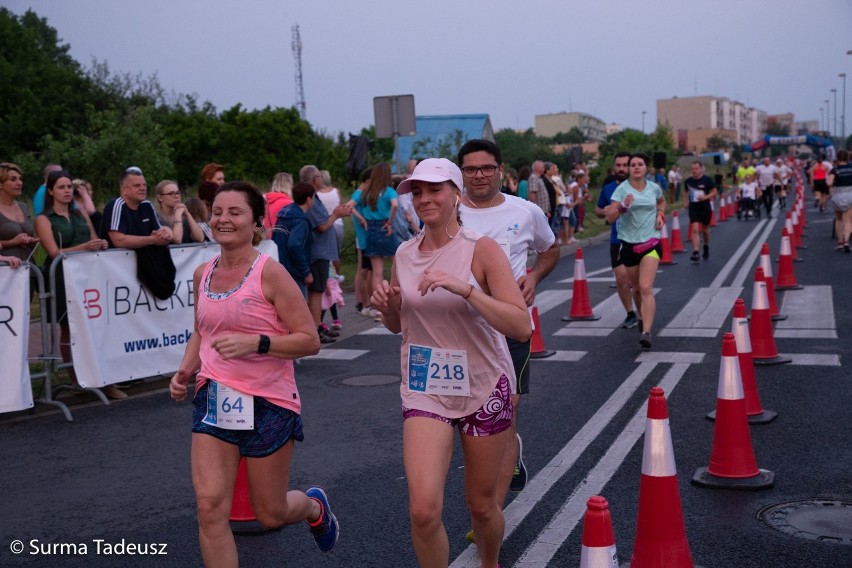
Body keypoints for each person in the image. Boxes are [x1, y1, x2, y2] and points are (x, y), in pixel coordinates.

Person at [371, 158, 531, 568]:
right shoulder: (404, 254)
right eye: (417, 192)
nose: (424, 199)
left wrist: (467, 290)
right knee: (423, 511)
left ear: (456, 194)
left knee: (481, 507)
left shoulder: (482, 249)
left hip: (483, 386)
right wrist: (389, 309)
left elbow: (520, 326)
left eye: (434, 189)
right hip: (425, 386)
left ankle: (490, 562)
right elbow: (399, 326)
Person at [168, 181, 337, 567]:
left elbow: (309, 340)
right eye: (218, 212)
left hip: (269, 403)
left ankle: (313, 507)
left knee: (270, 513)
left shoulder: (271, 274)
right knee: (211, 508)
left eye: (235, 212)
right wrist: (185, 369)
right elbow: (202, 329)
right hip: (215, 399)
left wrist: (257, 343)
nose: (223, 219)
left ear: (256, 222)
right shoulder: (202, 273)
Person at [456, 139, 558, 539]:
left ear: (501, 170)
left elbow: (550, 250)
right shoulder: (450, 212)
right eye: (470, 169)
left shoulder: (525, 211)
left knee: (505, 409)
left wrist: (533, 276)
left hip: (507, 331)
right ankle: (509, 454)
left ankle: (489, 515)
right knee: (468, 422)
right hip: (457, 334)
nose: (479, 175)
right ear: (460, 173)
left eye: (486, 168)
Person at [34, 171, 120, 398]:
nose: (67, 191)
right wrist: (84, 247)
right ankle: (76, 379)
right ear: (51, 191)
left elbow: (92, 237)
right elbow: (53, 252)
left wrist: (99, 244)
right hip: (61, 275)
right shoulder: (44, 218)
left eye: (69, 186)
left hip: (87, 274)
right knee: (69, 328)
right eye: (61, 187)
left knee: (95, 324)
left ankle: (102, 377)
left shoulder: (79, 212)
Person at [606, 152, 666, 349]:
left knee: (646, 286)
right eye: (633, 165)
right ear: (629, 169)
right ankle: (641, 315)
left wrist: (660, 213)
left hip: (651, 242)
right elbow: (610, 217)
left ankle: (647, 332)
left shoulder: (654, 188)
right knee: (637, 289)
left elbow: (662, 201)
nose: (636, 167)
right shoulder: (621, 190)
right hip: (629, 244)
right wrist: (623, 206)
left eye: (640, 164)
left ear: (646, 168)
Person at [300, 165, 351, 341]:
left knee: (318, 291)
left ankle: (317, 328)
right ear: (315, 179)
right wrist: (336, 214)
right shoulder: (311, 200)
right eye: (319, 177)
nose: (322, 180)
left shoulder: (314, 198)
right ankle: (314, 331)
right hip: (317, 253)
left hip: (320, 252)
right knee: (316, 293)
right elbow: (322, 226)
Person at [346, 162, 400, 298]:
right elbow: (395, 205)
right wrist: (389, 221)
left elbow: (348, 206)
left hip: (370, 229)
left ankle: (378, 304)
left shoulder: (366, 192)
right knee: (398, 264)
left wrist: (362, 219)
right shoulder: (389, 191)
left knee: (377, 271)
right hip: (384, 227)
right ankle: (398, 297)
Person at [596, 152, 637, 328]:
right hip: (617, 240)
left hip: (638, 240)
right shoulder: (608, 189)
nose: (621, 168)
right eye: (618, 165)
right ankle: (630, 313)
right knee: (621, 279)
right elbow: (598, 210)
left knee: (635, 282)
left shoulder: (639, 186)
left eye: (624, 165)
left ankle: (643, 312)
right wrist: (605, 210)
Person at [272, 182, 315, 298]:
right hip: (295, 272)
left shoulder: (283, 214)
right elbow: (294, 244)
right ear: (309, 199)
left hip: (280, 268)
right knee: (299, 307)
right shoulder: (301, 220)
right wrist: (306, 271)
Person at [0, 162, 39, 261]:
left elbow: (32, 239)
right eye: (13, 179)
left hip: (29, 268)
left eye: (20, 179)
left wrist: (31, 240)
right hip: (5, 270)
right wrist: (12, 242)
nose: (19, 183)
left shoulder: (24, 207)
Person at [682, 161, 718, 262]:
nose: (694, 171)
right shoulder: (688, 181)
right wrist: (685, 202)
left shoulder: (707, 180)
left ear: (701, 169)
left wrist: (706, 197)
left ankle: (706, 246)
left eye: (696, 169)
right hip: (694, 207)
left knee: (705, 230)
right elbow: (685, 192)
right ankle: (696, 252)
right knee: (695, 230)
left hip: (705, 207)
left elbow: (715, 191)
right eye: (692, 169)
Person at [828, 149, 852, 252]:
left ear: (837, 158)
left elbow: (829, 183)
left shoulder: (834, 170)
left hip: (837, 195)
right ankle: (846, 241)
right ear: (848, 158)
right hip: (850, 194)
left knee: (839, 219)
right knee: (848, 221)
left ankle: (840, 242)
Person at [263, 172, 294, 237]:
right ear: (289, 185)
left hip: (265, 242)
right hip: (280, 242)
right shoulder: (288, 203)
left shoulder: (265, 201)